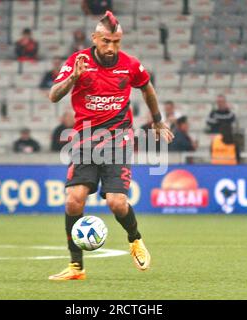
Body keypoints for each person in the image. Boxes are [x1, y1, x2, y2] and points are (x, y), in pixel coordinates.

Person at [47, 11, 174, 280]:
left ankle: (135, 239)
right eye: (106, 41)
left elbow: (147, 88)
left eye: (116, 41)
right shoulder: (77, 61)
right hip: (84, 140)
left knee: (117, 202)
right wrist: (73, 78)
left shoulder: (130, 65)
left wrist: (158, 121)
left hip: (117, 140)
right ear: (94, 38)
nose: (111, 47)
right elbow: (53, 95)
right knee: (73, 201)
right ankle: (76, 267)